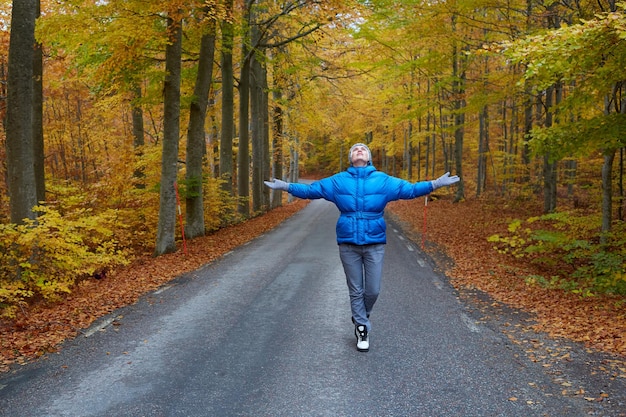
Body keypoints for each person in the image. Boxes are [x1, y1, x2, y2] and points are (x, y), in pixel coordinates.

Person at [264, 143, 459, 352]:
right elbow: (312, 190)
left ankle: (361, 315)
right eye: (355, 149)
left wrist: (435, 184)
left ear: (368, 157)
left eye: (363, 149)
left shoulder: (382, 180)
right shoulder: (338, 181)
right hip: (348, 243)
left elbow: (410, 190)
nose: (359, 150)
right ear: (350, 157)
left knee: (372, 290)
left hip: (375, 243)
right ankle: (362, 328)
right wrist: (286, 186)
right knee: (355, 289)